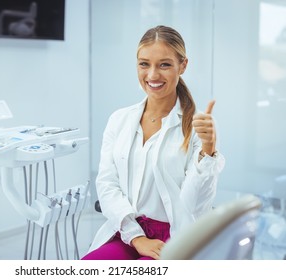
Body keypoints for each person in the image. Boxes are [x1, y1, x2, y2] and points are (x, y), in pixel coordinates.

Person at [81, 25, 225, 260]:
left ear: (183, 65)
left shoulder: (199, 125)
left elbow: (195, 206)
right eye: (144, 64)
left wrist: (208, 152)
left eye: (165, 64)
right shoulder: (119, 120)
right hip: (127, 230)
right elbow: (107, 183)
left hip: (176, 237)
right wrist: (136, 237)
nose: (152, 75)